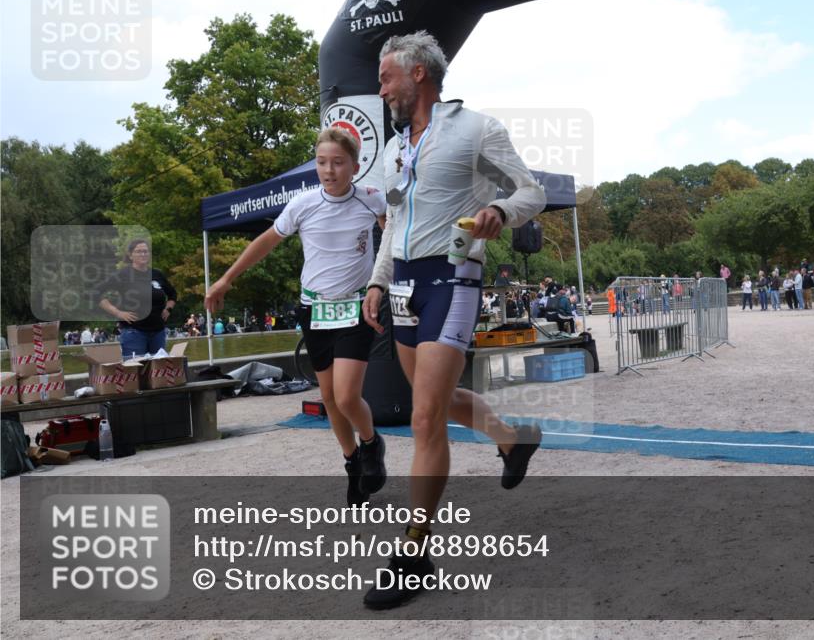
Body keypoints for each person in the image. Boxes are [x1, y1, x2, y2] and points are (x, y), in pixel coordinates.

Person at [361, 30, 546, 610]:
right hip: (405, 284)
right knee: (431, 400)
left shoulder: (476, 129)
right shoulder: (394, 149)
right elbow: (393, 223)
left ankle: (414, 557)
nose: (381, 85)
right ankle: (514, 439)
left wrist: (498, 210)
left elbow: (532, 191)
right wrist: (377, 278)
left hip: (453, 276)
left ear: (418, 74)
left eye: (387, 75)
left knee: (422, 419)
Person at [205, 127, 388, 507]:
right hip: (315, 310)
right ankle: (352, 463)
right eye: (322, 162)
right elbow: (264, 243)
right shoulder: (302, 205)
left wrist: (386, 284)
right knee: (329, 398)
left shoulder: (373, 200)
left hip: (355, 308)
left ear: (354, 167)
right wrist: (225, 280)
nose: (329, 170)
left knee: (347, 394)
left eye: (338, 163)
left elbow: (393, 239)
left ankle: (371, 443)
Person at [97, 238, 177, 358]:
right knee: (136, 372)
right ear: (130, 255)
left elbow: (172, 294)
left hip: (158, 332)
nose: (143, 254)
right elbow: (95, 293)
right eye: (139, 251)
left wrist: (168, 309)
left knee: (157, 372)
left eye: (146, 251)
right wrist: (118, 313)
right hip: (134, 333)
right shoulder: (122, 275)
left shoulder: (157, 274)